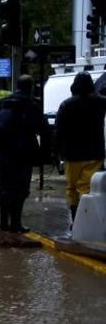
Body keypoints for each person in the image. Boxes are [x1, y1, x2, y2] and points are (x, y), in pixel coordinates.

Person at [0, 74, 43, 233]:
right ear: (31, 88)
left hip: (2, 154)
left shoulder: (2, 103)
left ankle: (4, 223)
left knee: (3, 188)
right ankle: (16, 223)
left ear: (16, 86)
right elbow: (41, 128)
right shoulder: (32, 105)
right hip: (23, 154)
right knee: (20, 189)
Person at [55, 71, 106, 225]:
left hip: (72, 155)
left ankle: (76, 220)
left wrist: (57, 154)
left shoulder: (66, 104)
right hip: (94, 153)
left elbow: (59, 131)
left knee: (72, 189)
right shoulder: (101, 102)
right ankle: (88, 220)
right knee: (88, 187)